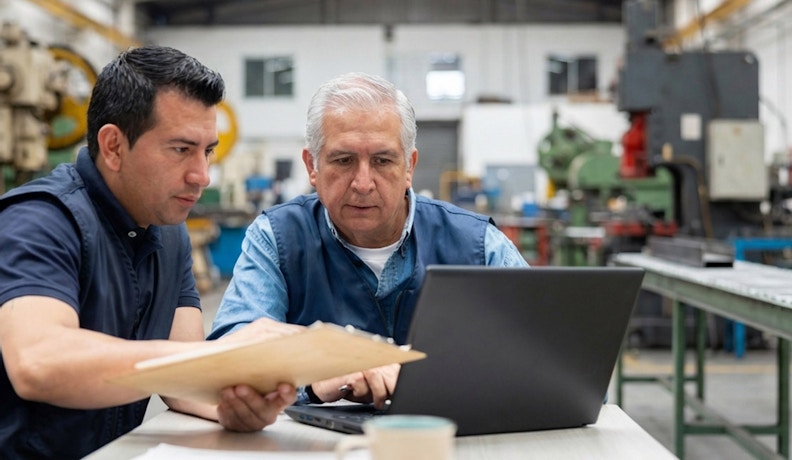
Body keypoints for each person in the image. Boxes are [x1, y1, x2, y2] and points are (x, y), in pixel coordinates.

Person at [0, 45, 301, 460]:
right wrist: (221, 357)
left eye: (207, 150)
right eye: (181, 149)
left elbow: (184, 379)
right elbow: (39, 362)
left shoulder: (168, 231)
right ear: (113, 146)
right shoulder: (41, 221)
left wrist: (231, 406)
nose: (201, 175)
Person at [208, 72, 528, 410]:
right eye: (343, 160)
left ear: (409, 166)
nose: (363, 183)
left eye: (382, 160)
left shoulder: (479, 245)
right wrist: (314, 381)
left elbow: (540, 351)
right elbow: (228, 360)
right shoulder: (277, 238)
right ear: (311, 166)